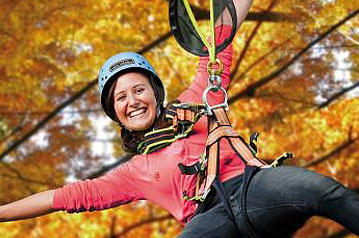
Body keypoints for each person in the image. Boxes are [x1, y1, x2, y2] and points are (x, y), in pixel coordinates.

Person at [1, 1, 359, 237]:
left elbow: (221, 38)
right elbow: (62, 197)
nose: (132, 101)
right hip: (208, 220)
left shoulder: (196, 99)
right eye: (121, 98)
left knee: (321, 190)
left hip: (253, 188)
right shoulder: (133, 173)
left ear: (155, 94)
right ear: (117, 115)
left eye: (138, 90)